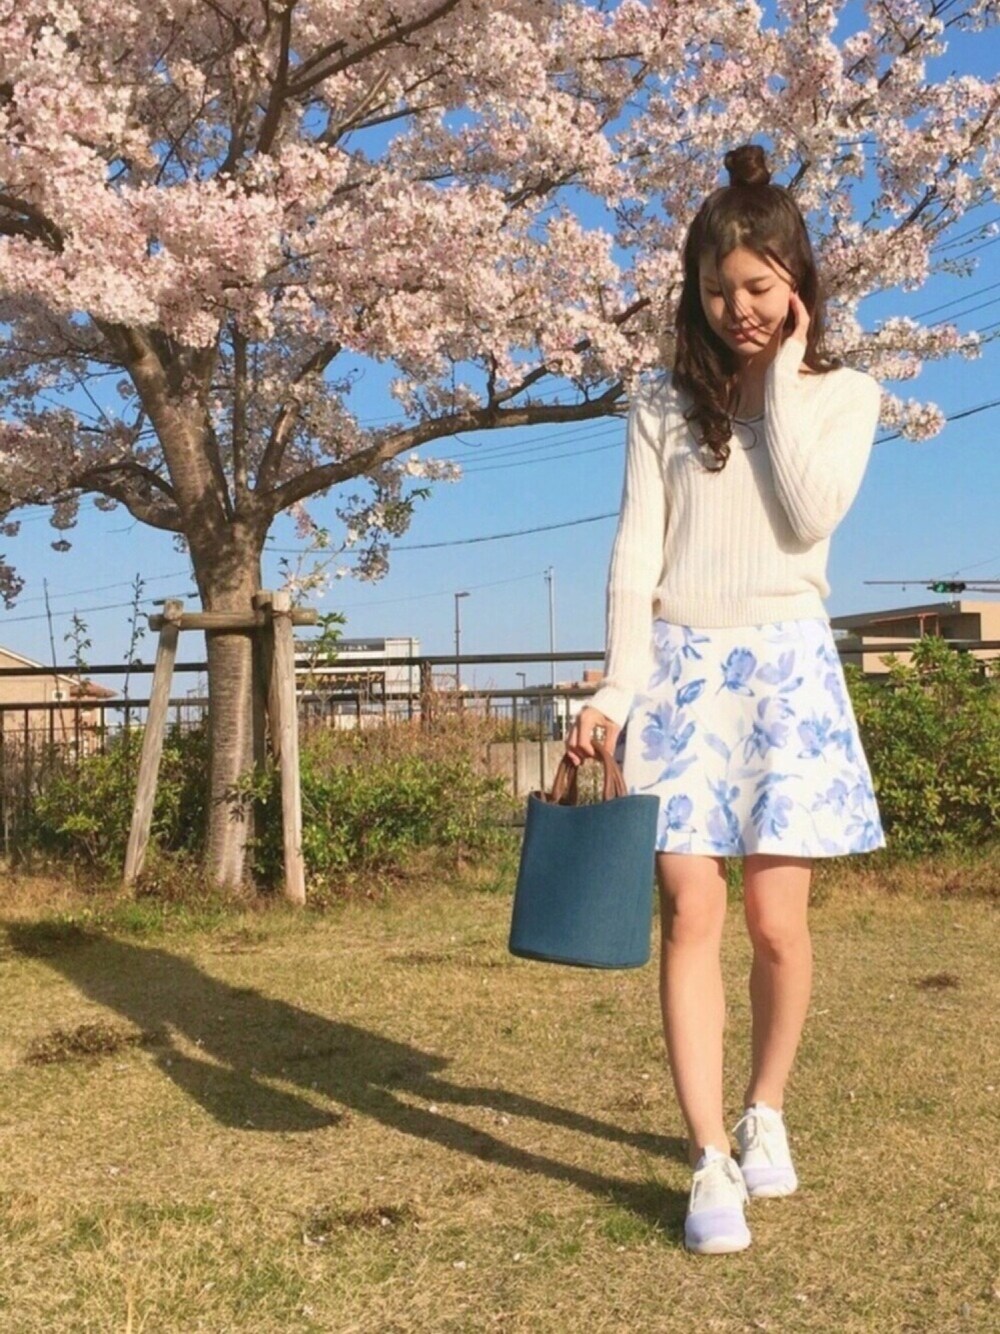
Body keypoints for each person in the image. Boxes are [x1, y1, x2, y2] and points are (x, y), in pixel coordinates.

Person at [565, 142, 885, 1256]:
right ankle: (708, 1157)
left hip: (788, 670)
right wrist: (616, 687)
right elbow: (632, 555)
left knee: (776, 924)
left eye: (756, 286)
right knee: (691, 914)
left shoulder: (846, 394)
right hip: (681, 672)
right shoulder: (659, 403)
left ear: (796, 284)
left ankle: (766, 1108)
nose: (735, 308)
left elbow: (807, 512)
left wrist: (782, 376)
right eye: (715, 290)